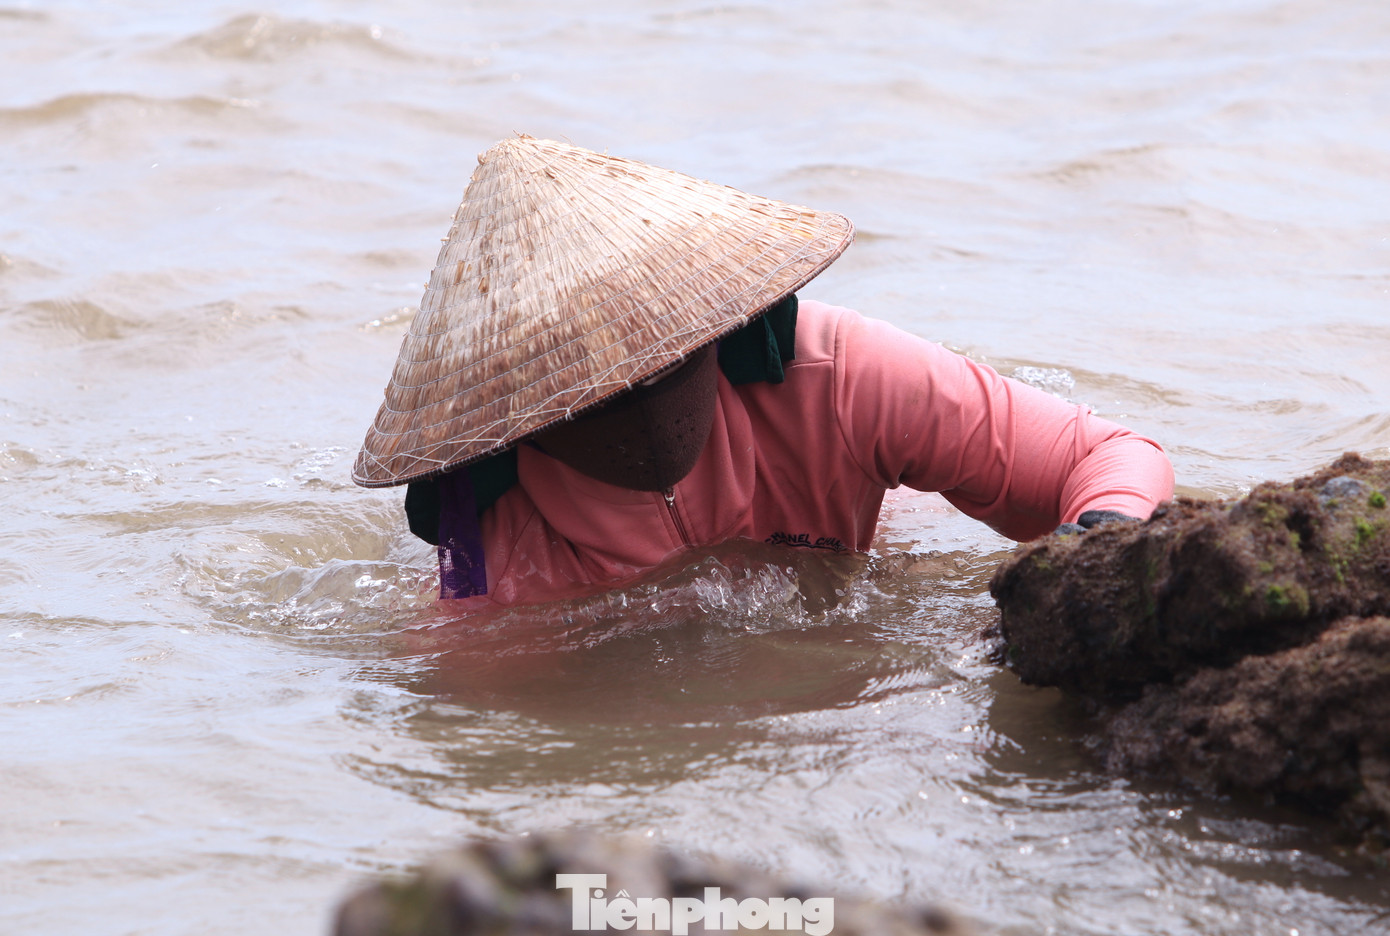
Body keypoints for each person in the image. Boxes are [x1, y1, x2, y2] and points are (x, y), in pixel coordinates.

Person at [353, 136, 1174, 607]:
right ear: (523, 420)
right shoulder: (489, 539)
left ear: (718, 331)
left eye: (660, 362)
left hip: (877, 552)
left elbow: (1108, 457)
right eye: (596, 395)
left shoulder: (839, 375)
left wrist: (1097, 547)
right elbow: (484, 717)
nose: (640, 408)